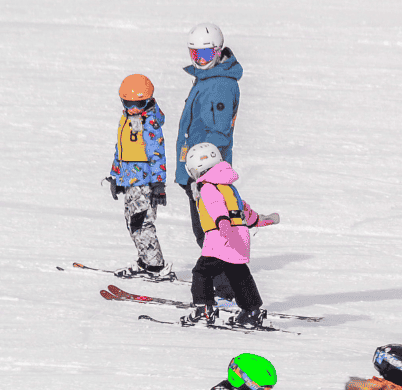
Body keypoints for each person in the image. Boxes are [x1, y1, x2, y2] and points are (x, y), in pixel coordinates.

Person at [178, 143, 281, 329]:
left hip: (221, 237)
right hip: (239, 237)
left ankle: (204, 310)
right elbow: (243, 209)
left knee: (201, 272)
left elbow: (216, 206)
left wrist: (222, 222)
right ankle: (251, 311)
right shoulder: (229, 187)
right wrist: (261, 220)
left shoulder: (208, 187)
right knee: (238, 274)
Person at [175, 22, 242, 298]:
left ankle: (226, 291)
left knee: (211, 233)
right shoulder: (208, 79)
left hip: (203, 171)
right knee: (205, 231)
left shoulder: (218, 87)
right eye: (194, 56)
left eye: (203, 56)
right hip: (194, 167)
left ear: (217, 51)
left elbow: (217, 133)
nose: (199, 62)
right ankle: (223, 285)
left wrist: (203, 177)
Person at [105, 74, 171, 281]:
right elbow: (121, 151)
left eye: (138, 104)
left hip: (146, 183)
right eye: (128, 104)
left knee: (142, 223)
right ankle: (145, 260)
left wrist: (158, 183)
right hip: (131, 182)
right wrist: (116, 177)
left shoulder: (150, 123)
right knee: (132, 223)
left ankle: (155, 265)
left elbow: (157, 153)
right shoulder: (127, 119)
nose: (133, 109)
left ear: (149, 100)